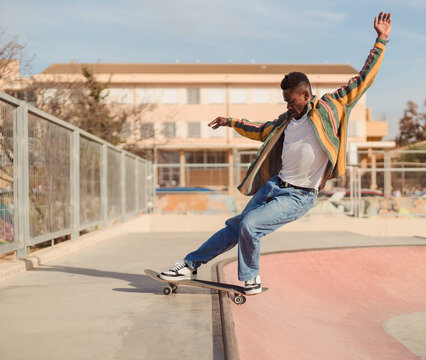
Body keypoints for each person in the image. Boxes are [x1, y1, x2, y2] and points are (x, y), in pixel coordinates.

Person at [161, 12, 392, 294]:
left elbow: (363, 79)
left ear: (306, 95)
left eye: (291, 100)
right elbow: (260, 129)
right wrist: (230, 121)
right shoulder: (285, 122)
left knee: (250, 225)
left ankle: (251, 278)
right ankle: (189, 264)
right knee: (235, 227)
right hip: (273, 187)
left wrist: (380, 40)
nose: (288, 106)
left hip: (299, 195)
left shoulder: (332, 106)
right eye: (285, 101)